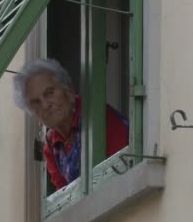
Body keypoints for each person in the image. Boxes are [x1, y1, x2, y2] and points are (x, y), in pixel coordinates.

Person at [13, 59, 128, 191]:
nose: (45, 105)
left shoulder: (96, 115)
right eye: (36, 103)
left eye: (49, 93)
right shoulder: (51, 146)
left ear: (68, 91)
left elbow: (123, 166)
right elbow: (64, 194)